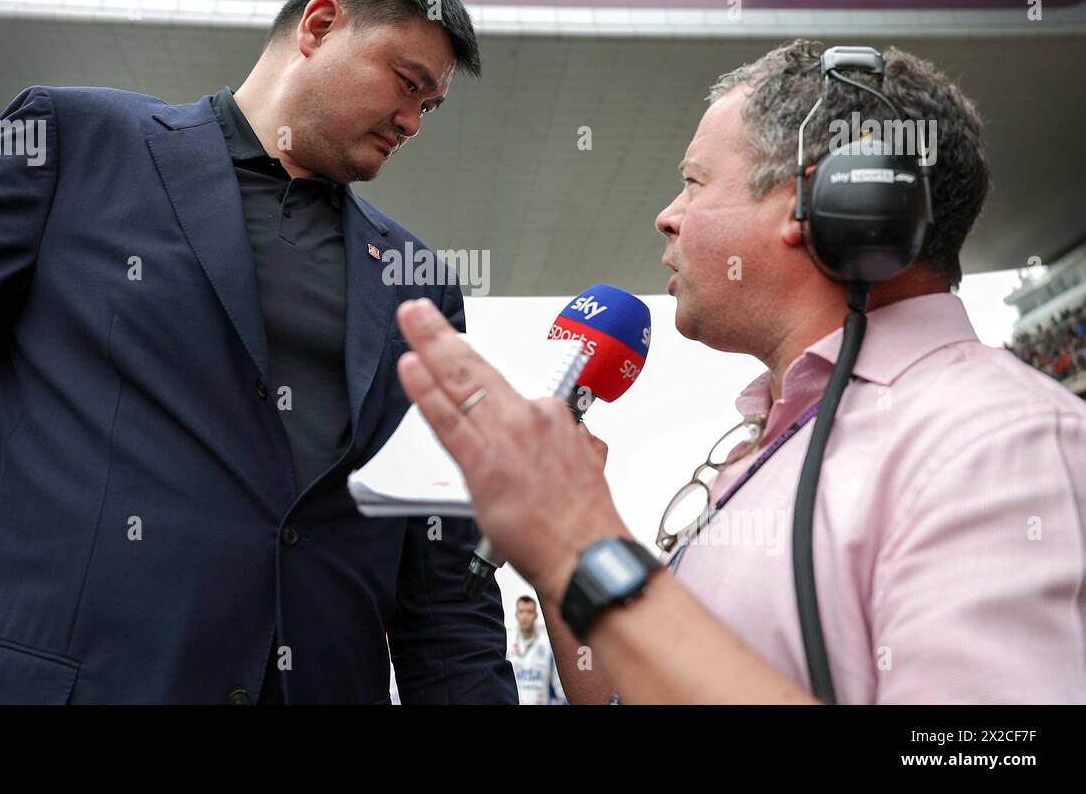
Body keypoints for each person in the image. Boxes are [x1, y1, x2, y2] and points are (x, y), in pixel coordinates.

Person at [0, 0, 516, 705]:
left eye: (430, 106)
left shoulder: (421, 289)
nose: (413, 121)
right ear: (320, 25)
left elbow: (441, 586)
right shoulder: (71, 147)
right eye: (407, 83)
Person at [391, 40, 1086, 704]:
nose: (668, 218)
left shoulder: (998, 444)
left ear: (825, 204)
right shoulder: (771, 438)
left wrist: (581, 547)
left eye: (693, 183)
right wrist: (562, 557)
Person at [508, 596, 566, 705]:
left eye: (529, 612)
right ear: (516, 614)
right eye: (521, 611)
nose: (525, 616)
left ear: (536, 615)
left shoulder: (548, 647)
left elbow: (560, 690)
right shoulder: (508, 644)